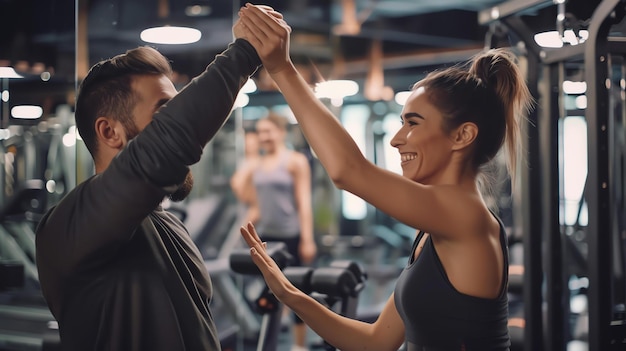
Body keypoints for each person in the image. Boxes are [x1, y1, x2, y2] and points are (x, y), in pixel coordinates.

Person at [237, 4, 533, 351]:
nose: (396, 139)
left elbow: (349, 171)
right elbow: (375, 341)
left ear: (462, 136)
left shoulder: (464, 215)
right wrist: (288, 293)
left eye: (413, 123)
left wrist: (282, 68)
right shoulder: (433, 228)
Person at [34, 7, 284, 350]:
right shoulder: (69, 227)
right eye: (165, 112)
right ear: (110, 132)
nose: (178, 120)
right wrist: (244, 52)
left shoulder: (169, 226)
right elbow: (165, 147)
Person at [230, 112, 316, 351]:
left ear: (281, 132)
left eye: (268, 131)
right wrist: (250, 157)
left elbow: (304, 202)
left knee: (298, 291)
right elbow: (240, 189)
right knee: (271, 294)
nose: (263, 136)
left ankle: (300, 346)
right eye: (260, 132)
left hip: (291, 235)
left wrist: (307, 239)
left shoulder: (295, 160)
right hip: (265, 236)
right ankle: (271, 343)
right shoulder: (257, 163)